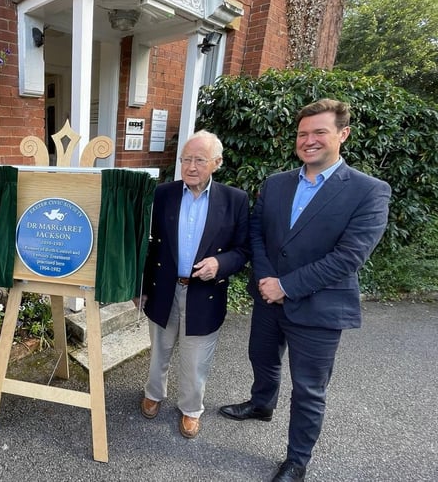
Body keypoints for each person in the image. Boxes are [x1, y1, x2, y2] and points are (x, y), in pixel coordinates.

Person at [219, 99, 391, 482]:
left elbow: (349, 257)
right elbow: (258, 233)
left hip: (320, 308)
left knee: (309, 390)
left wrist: (286, 286)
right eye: (302, 133)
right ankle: (262, 404)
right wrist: (267, 281)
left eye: (319, 132)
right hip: (268, 298)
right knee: (261, 358)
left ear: (342, 135)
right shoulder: (277, 183)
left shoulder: (369, 191)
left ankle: (297, 460)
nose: (308, 140)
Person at [136, 130, 249, 439]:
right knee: (160, 347)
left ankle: (190, 409)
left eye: (199, 159)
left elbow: (244, 250)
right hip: (164, 287)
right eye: (186, 159)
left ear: (217, 162)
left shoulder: (235, 200)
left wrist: (220, 264)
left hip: (205, 293)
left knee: (196, 357)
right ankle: (154, 393)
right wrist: (141, 286)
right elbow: (149, 245)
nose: (191, 166)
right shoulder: (163, 194)